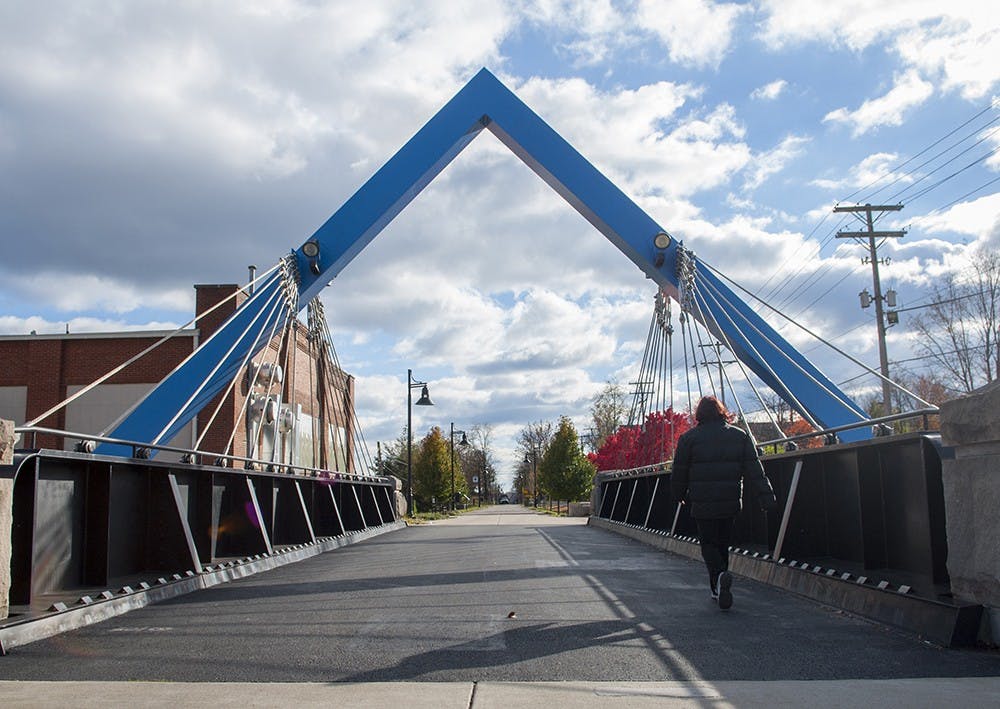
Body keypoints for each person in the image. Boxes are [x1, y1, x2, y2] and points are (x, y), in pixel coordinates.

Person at [670, 396, 777, 610]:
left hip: (702, 500)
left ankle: (718, 579)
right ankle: (719, 584)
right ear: (721, 412)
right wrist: (766, 496)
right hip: (730, 501)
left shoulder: (689, 439)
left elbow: (679, 472)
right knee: (722, 543)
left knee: (708, 543)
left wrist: (678, 494)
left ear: (699, 414)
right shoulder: (740, 436)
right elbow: (755, 470)